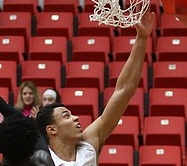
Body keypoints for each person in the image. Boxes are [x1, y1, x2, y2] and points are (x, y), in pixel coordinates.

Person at [36, 10, 155, 164]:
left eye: (71, 114)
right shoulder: (43, 160)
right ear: (52, 129)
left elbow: (124, 90)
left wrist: (142, 38)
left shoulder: (88, 143)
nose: (76, 118)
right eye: (66, 116)